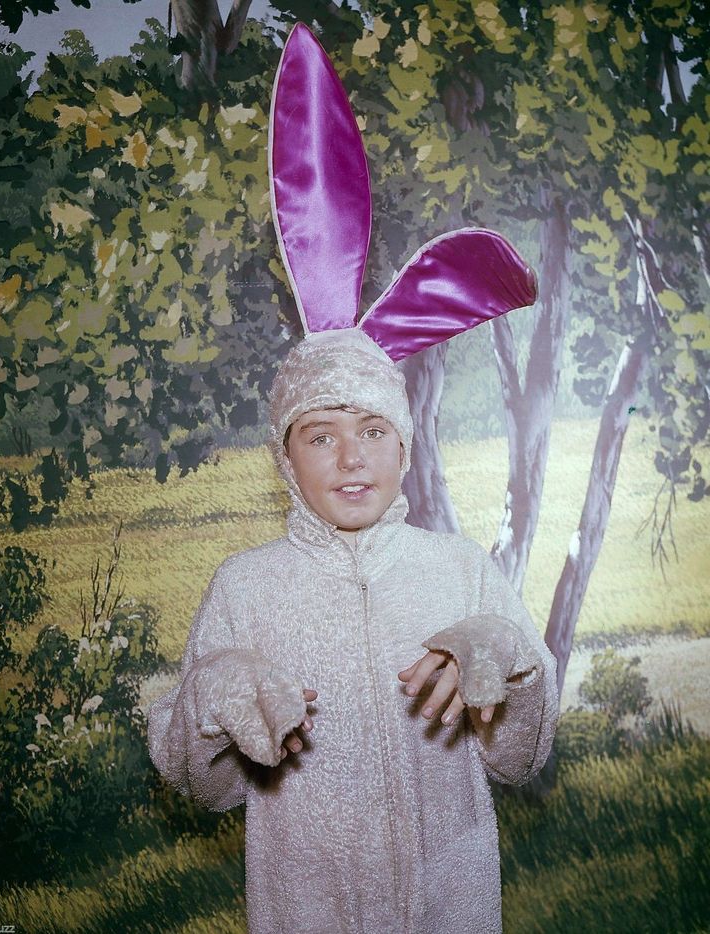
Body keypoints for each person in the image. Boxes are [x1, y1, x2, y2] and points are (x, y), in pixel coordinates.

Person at [148, 22, 558, 934]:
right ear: (284, 458)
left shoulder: (458, 570)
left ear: (406, 446)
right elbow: (200, 784)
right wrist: (217, 694)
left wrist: (509, 662)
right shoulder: (245, 589)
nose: (351, 455)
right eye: (320, 435)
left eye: (374, 429)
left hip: (455, 908)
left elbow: (522, 760)